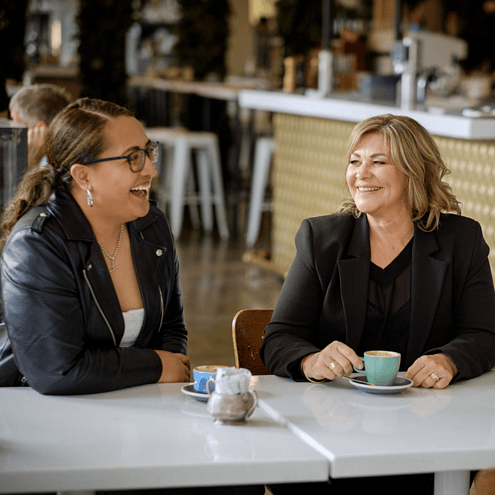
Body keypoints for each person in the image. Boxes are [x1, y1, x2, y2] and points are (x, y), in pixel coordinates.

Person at [260, 114, 495, 495]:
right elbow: (280, 337)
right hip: (332, 432)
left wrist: (450, 359)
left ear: (414, 171)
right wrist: (310, 360)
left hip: (429, 433)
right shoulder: (322, 239)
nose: (361, 174)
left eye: (378, 162)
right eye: (355, 161)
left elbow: (483, 335)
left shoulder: (461, 240)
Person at [0, 97, 191, 395]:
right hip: (33, 405)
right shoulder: (36, 243)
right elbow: (57, 371)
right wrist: (157, 366)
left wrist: (169, 374)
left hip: (129, 399)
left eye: (148, 152)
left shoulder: (151, 225)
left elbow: (171, 326)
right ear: (84, 176)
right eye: (133, 157)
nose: (150, 169)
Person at [9, 83, 71, 168]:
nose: (11, 129)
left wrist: (29, 164)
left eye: (17, 124)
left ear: (40, 129)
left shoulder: (62, 165)